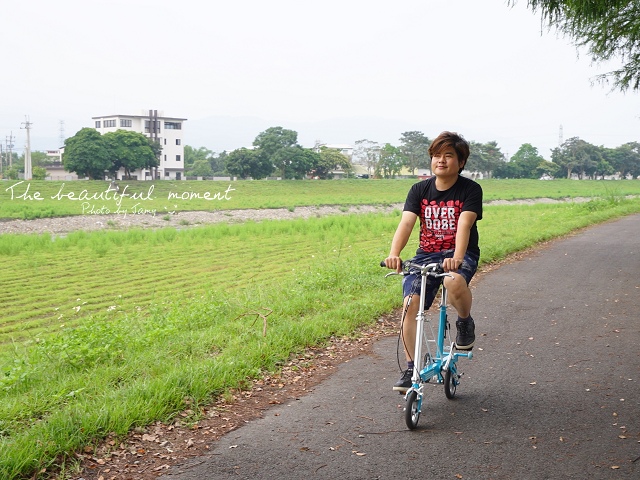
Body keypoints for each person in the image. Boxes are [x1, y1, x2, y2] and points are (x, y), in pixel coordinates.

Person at [383, 131, 483, 392]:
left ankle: (464, 321)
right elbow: (406, 222)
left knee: (453, 281)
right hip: (425, 255)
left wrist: (457, 257)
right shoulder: (419, 189)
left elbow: (464, 223)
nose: (441, 160)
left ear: (460, 162)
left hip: (459, 253)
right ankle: (410, 368)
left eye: (448, 155)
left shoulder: (470, 189)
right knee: (410, 303)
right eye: (436, 155)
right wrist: (394, 253)